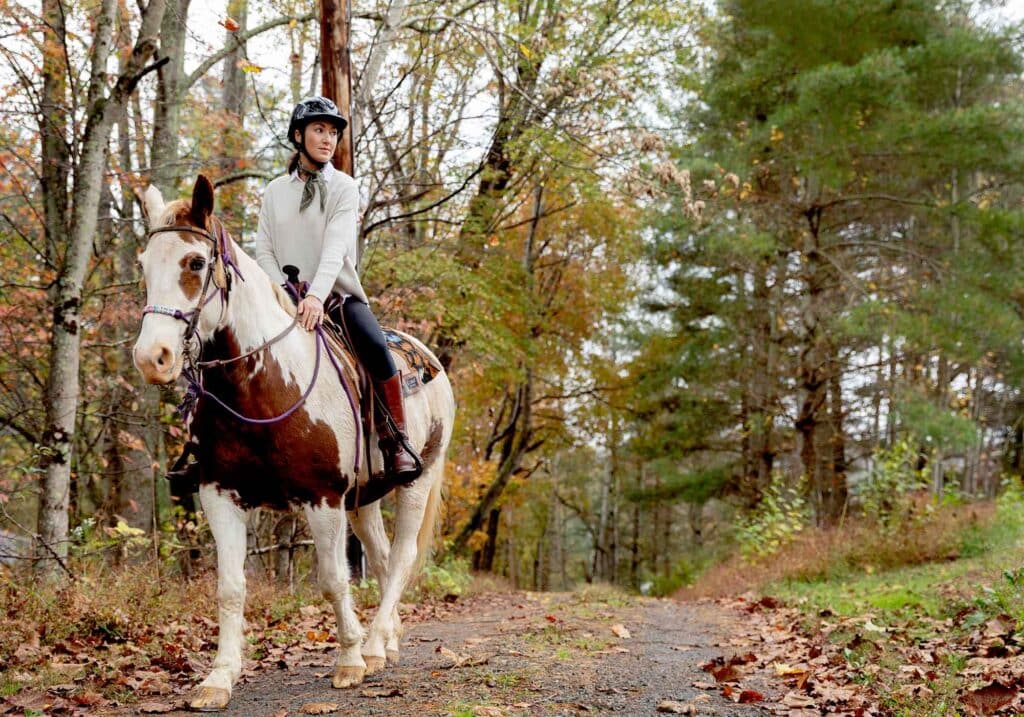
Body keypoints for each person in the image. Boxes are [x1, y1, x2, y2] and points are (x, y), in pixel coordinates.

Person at [253, 96, 421, 483]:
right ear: (299, 136)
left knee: (377, 349)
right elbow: (263, 250)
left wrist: (315, 297)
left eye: (333, 132)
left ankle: (396, 441)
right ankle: (204, 444)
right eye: (319, 130)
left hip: (335, 297)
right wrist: (284, 293)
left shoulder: (345, 188)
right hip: (282, 299)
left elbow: (335, 250)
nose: (328, 139)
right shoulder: (274, 191)